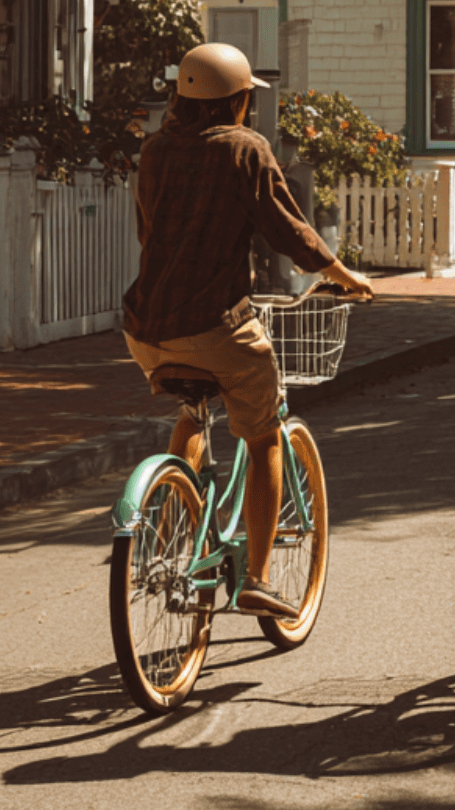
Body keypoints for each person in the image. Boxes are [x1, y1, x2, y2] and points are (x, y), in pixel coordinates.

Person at [122, 42, 373, 617]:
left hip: (145, 328)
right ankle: (257, 578)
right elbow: (288, 230)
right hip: (214, 327)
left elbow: (148, 230)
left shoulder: (155, 150)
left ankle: (174, 524)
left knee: (193, 410)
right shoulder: (244, 148)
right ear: (237, 102)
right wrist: (343, 273)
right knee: (262, 438)